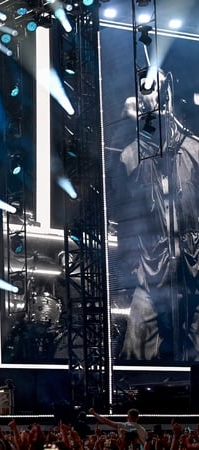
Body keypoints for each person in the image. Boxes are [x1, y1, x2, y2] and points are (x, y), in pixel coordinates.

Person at [110, 69, 199, 361]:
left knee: (193, 337)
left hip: (192, 262)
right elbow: (121, 213)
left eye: (158, 88)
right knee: (139, 338)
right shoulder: (129, 156)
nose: (153, 96)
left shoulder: (193, 150)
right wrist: (131, 265)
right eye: (146, 90)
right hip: (151, 263)